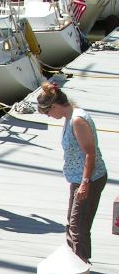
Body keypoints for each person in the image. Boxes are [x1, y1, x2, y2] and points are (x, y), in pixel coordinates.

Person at [36, 81, 108, 262]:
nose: (49, 116)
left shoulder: (77, 120)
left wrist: (85, 183)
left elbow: (90, 154)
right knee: (72, 222)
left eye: (47, 112)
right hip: (77, 178)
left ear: (54, 106)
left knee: (78, 226)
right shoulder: (69, 117)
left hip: (90, 178)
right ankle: (73, 262)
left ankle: (81, 267)